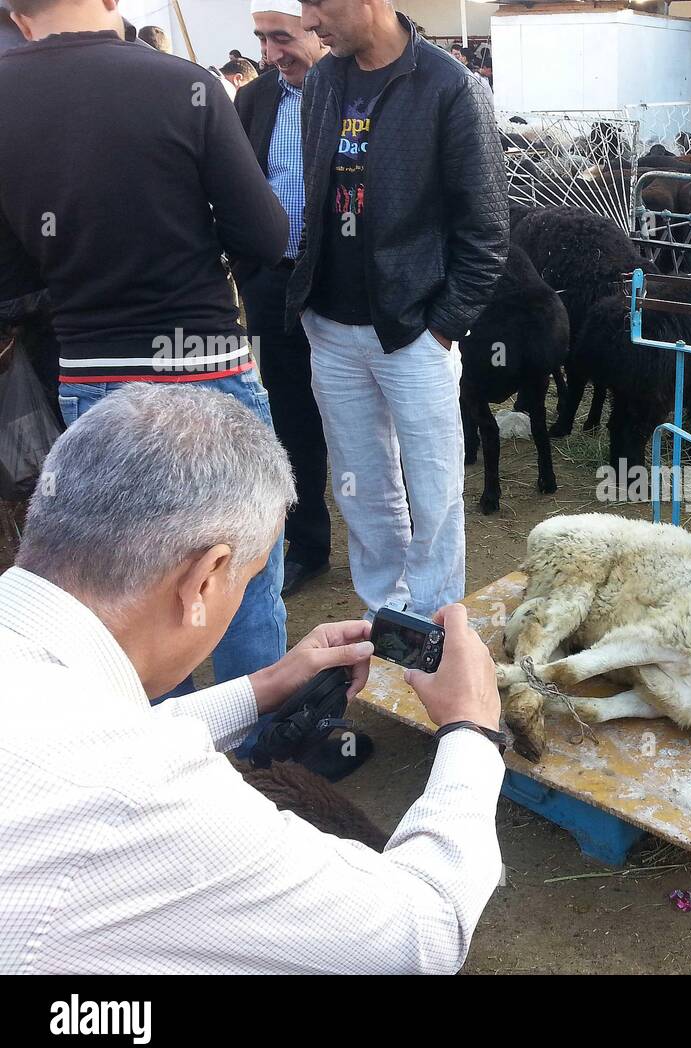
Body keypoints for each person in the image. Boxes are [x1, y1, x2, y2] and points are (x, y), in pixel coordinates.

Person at [0, 385, 506, 974]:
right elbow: (422, 935)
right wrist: (472, 729)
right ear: (207, 578)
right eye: (250, 574)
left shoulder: (56, 702)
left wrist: (265, 686)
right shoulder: (145, 798)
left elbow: (89, 738)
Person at [0, 0, 292, 691]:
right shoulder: (178, 84)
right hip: (204, 364)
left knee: (125, 584)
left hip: (92, 372)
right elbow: (266, 235)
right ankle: (270, 744)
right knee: (240, 571)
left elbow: (10, 278)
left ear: (15, 10)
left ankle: (159, 738)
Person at [289, 0, 509, 620]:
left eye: (318, 4)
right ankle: (386, 616)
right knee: (361, 489)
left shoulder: (450, 86)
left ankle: (436, 620)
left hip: (413, 332)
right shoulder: (326, 80)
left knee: (435, 492)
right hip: (329, 327)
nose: (309, 22)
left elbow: (488, 226)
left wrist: (443, 326)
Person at [237, 0, 333, 601]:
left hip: (346, 289)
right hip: (275, 284)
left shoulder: (355, 96)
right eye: (262, 39)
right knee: (291, 416)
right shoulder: (255, 100)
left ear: (318, 29)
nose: (270, 54)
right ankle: (310, 543)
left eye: (282, 37)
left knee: (363, 420)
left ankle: (398, 550)